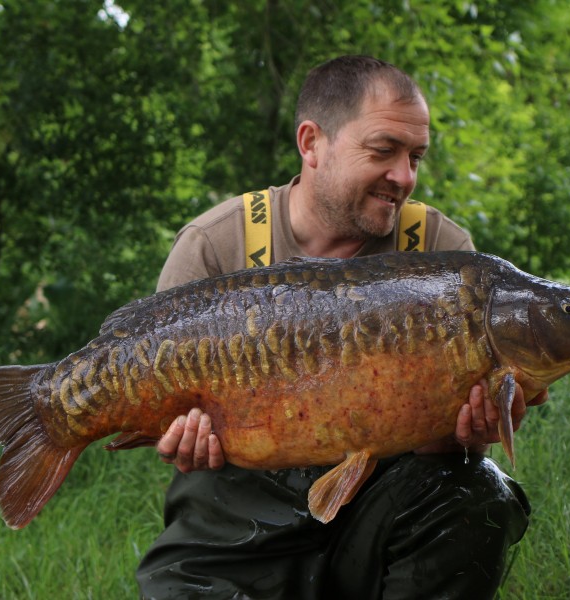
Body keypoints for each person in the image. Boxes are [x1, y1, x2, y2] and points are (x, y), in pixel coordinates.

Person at [136, 55, 546, 600]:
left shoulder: (444, 255)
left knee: (479, 495)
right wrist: (175, 437)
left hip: (379, 510)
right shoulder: (217, 244)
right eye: (383, 151)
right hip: (234, 524)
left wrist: (466, 436)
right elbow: (157, 406)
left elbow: (453, 450)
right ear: (312, 143)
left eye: (415, 157)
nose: (404, 176)